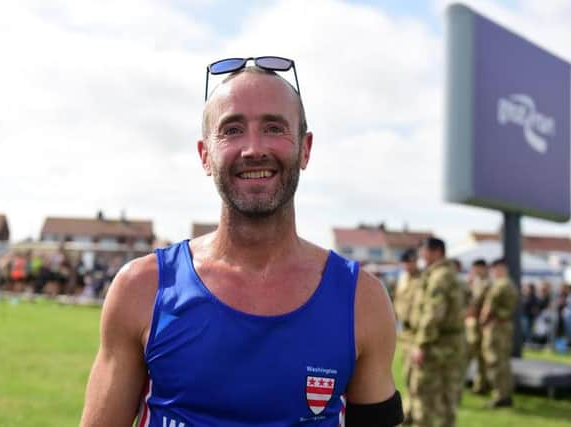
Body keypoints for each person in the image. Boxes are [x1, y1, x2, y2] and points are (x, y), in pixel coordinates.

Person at [80, 58, 402, 426]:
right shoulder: (143, 287)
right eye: (232, 130)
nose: (253, 149)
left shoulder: (362, 299)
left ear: (305, 149)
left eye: (273, 128)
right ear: (205, 155)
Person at [408, 237, 464, 427]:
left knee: (425, 394)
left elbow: (434, 312)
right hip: (448, 344)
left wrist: (421, 343)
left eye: (425, 250)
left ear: (437, 251)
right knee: (446, 395)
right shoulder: (449, 274)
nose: (422, 255)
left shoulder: (439, 276)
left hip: (436, 345)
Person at [479, 258, 518, 408]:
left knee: (494, 361)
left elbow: (488, 307)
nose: (493, 272)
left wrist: (482, 320)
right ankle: (505, 395)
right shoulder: (510, 284)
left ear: (500, 268)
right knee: (503, 361)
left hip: (496, 327)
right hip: (505, 325)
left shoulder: (500, 285)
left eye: (495, 269)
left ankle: (500, 396)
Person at [393, 248, 422, 421]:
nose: (408, 265)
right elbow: (397, 302)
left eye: (410, 262)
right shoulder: (403, 279)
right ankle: (409, 409)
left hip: (418, 332)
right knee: (407, 373)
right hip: (405, 333)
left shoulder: (423, 279)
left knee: (417, 377)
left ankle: (415, 411)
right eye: (405, 262)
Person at [464, 259, 491, 394]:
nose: (474, 271)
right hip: (473, 323)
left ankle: (481, 385)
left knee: (479, 356)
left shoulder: (488, 283)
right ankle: (478, 384)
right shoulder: (475, 282)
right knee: (474, 355)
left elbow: (480, 303)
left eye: (476, 268)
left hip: (480, 324)